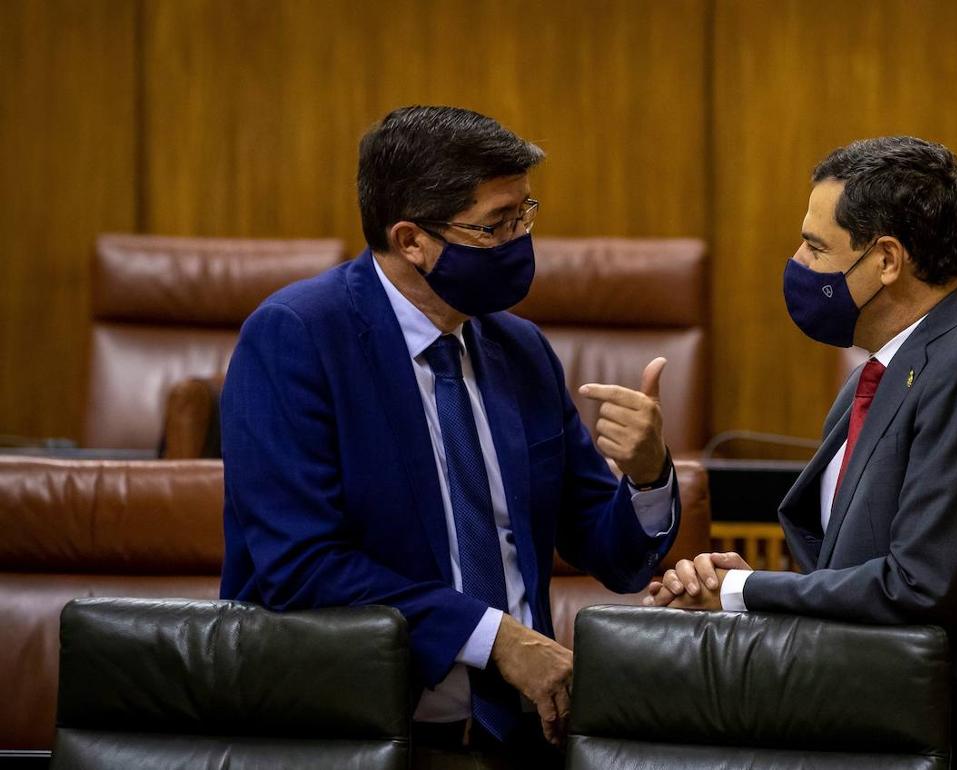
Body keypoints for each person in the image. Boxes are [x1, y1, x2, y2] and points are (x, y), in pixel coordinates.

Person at [219, 106, 680, 765]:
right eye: (497, 226)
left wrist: (646, 474)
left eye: (526, 214)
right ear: (411, 241)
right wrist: (495, 639)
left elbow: (613, 556)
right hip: (361, 740)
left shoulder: (518, 349)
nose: (522, 240)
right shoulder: (297, 339)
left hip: (526, 740)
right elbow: (300, 567)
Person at [648, 136, 957, 769]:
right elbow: (860, 564)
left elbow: (918, 587)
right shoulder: (879, 373)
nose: (797, 262)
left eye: (816, 247)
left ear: (887, 261)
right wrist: (755, 581)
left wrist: (745, 591)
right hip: (877, 719)